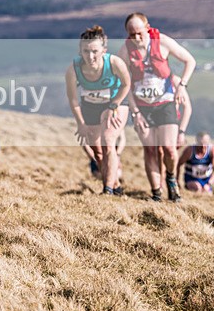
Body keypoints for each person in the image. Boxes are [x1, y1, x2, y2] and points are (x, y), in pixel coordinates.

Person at [117, 12, 196, 202]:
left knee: (169, 148)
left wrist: (182, 85)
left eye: (139, 33)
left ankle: (170, 178)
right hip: (142, 107)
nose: (136, 38)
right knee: (151, 149)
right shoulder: (125, 51)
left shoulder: (162, 41)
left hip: (166, 103)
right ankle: (156, 193)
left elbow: (189, 61)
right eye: (131, 34)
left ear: (147, 28)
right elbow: (124, 84)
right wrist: (135, 112)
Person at [66, 25, 131, 195]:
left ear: (104, 50)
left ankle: (107, 190)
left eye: (95, 51)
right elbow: (73, 99)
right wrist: (81, 123)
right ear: (80, 51)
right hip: (90, 106)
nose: (90, 56)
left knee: (108, 142)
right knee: (98, 153)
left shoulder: (115, 63)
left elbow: (126, 84)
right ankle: (115, 184)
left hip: (115, 103)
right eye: (86, 51)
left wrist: (113, 105)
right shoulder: (73, 69)